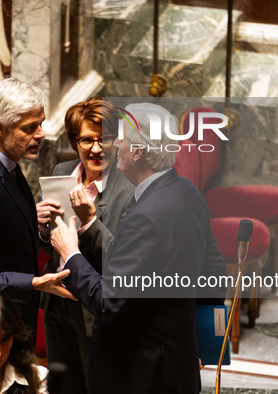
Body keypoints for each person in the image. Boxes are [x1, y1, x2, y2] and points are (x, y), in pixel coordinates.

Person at [51, 103, 228, 393]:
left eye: (122, 138)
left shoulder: (146, 214)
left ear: (138, 152)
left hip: (139, 373)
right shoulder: (187, 192)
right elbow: (213, 274)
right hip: (177, 362)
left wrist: (71, 253)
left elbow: (107, 302)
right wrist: (204, 340)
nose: (116, 144)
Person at [0, 77, 75, 340]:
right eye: (29, 128)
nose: (40, 133)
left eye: (40, 123)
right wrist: (34, 282)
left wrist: (36, 226)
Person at [36, 97, 134, 394]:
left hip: (96, 309)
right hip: (58, 304)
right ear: (74, 141)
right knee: (64, 386)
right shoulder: (60, 172)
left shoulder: (130, 189)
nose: (96, 149)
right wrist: (41, 228)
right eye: (87, 140)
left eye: (104, 139)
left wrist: (91, 222)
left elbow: (124, 261)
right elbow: (53, 241)